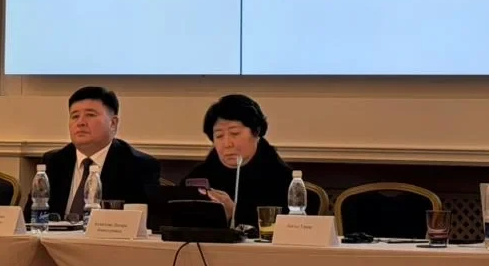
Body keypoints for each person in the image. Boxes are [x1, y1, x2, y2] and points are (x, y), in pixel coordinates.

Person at [27, 86, 160, 220]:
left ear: (113, 123)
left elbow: (140, 223)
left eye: (90, 115)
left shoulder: (137, 165)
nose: (80, 123)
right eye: (75, 116)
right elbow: (30, 219)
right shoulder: (54, 161)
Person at [183, 94, 294, 228]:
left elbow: (285, 231)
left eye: (235, 133)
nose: (227, 144)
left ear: (256, 132)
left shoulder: (282, 179)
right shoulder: (199, 175)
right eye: (219, 136)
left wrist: (234, 214)